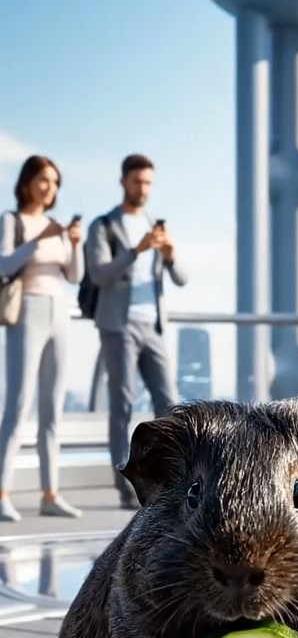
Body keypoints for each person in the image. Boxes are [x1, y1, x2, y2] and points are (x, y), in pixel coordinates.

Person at [86, 155, 187, 509]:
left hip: (153, 325)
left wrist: (170, 255)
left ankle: (171, 477)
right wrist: (136, 251)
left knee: (169, 403)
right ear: (123, 181)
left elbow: (182, 279)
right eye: (136, 182)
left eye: (147, 183)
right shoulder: (104, 226)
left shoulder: (152, 225)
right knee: (122, 404)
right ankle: (124, 484)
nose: (142, 189)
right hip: (119, 324)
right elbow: (99, 274)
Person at [0, 155, 83, 522]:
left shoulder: (57, 227)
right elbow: (4, 264)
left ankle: (50, 494)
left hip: (59, 312)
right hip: (28, 310)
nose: (50, 188)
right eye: (44, 180)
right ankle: (2, 491)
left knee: (53, 409)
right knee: (18, 406)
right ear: (28, 182)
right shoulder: (13, 220)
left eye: (55, 182)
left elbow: (75, 276)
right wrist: (38, 240)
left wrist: (75, 244)